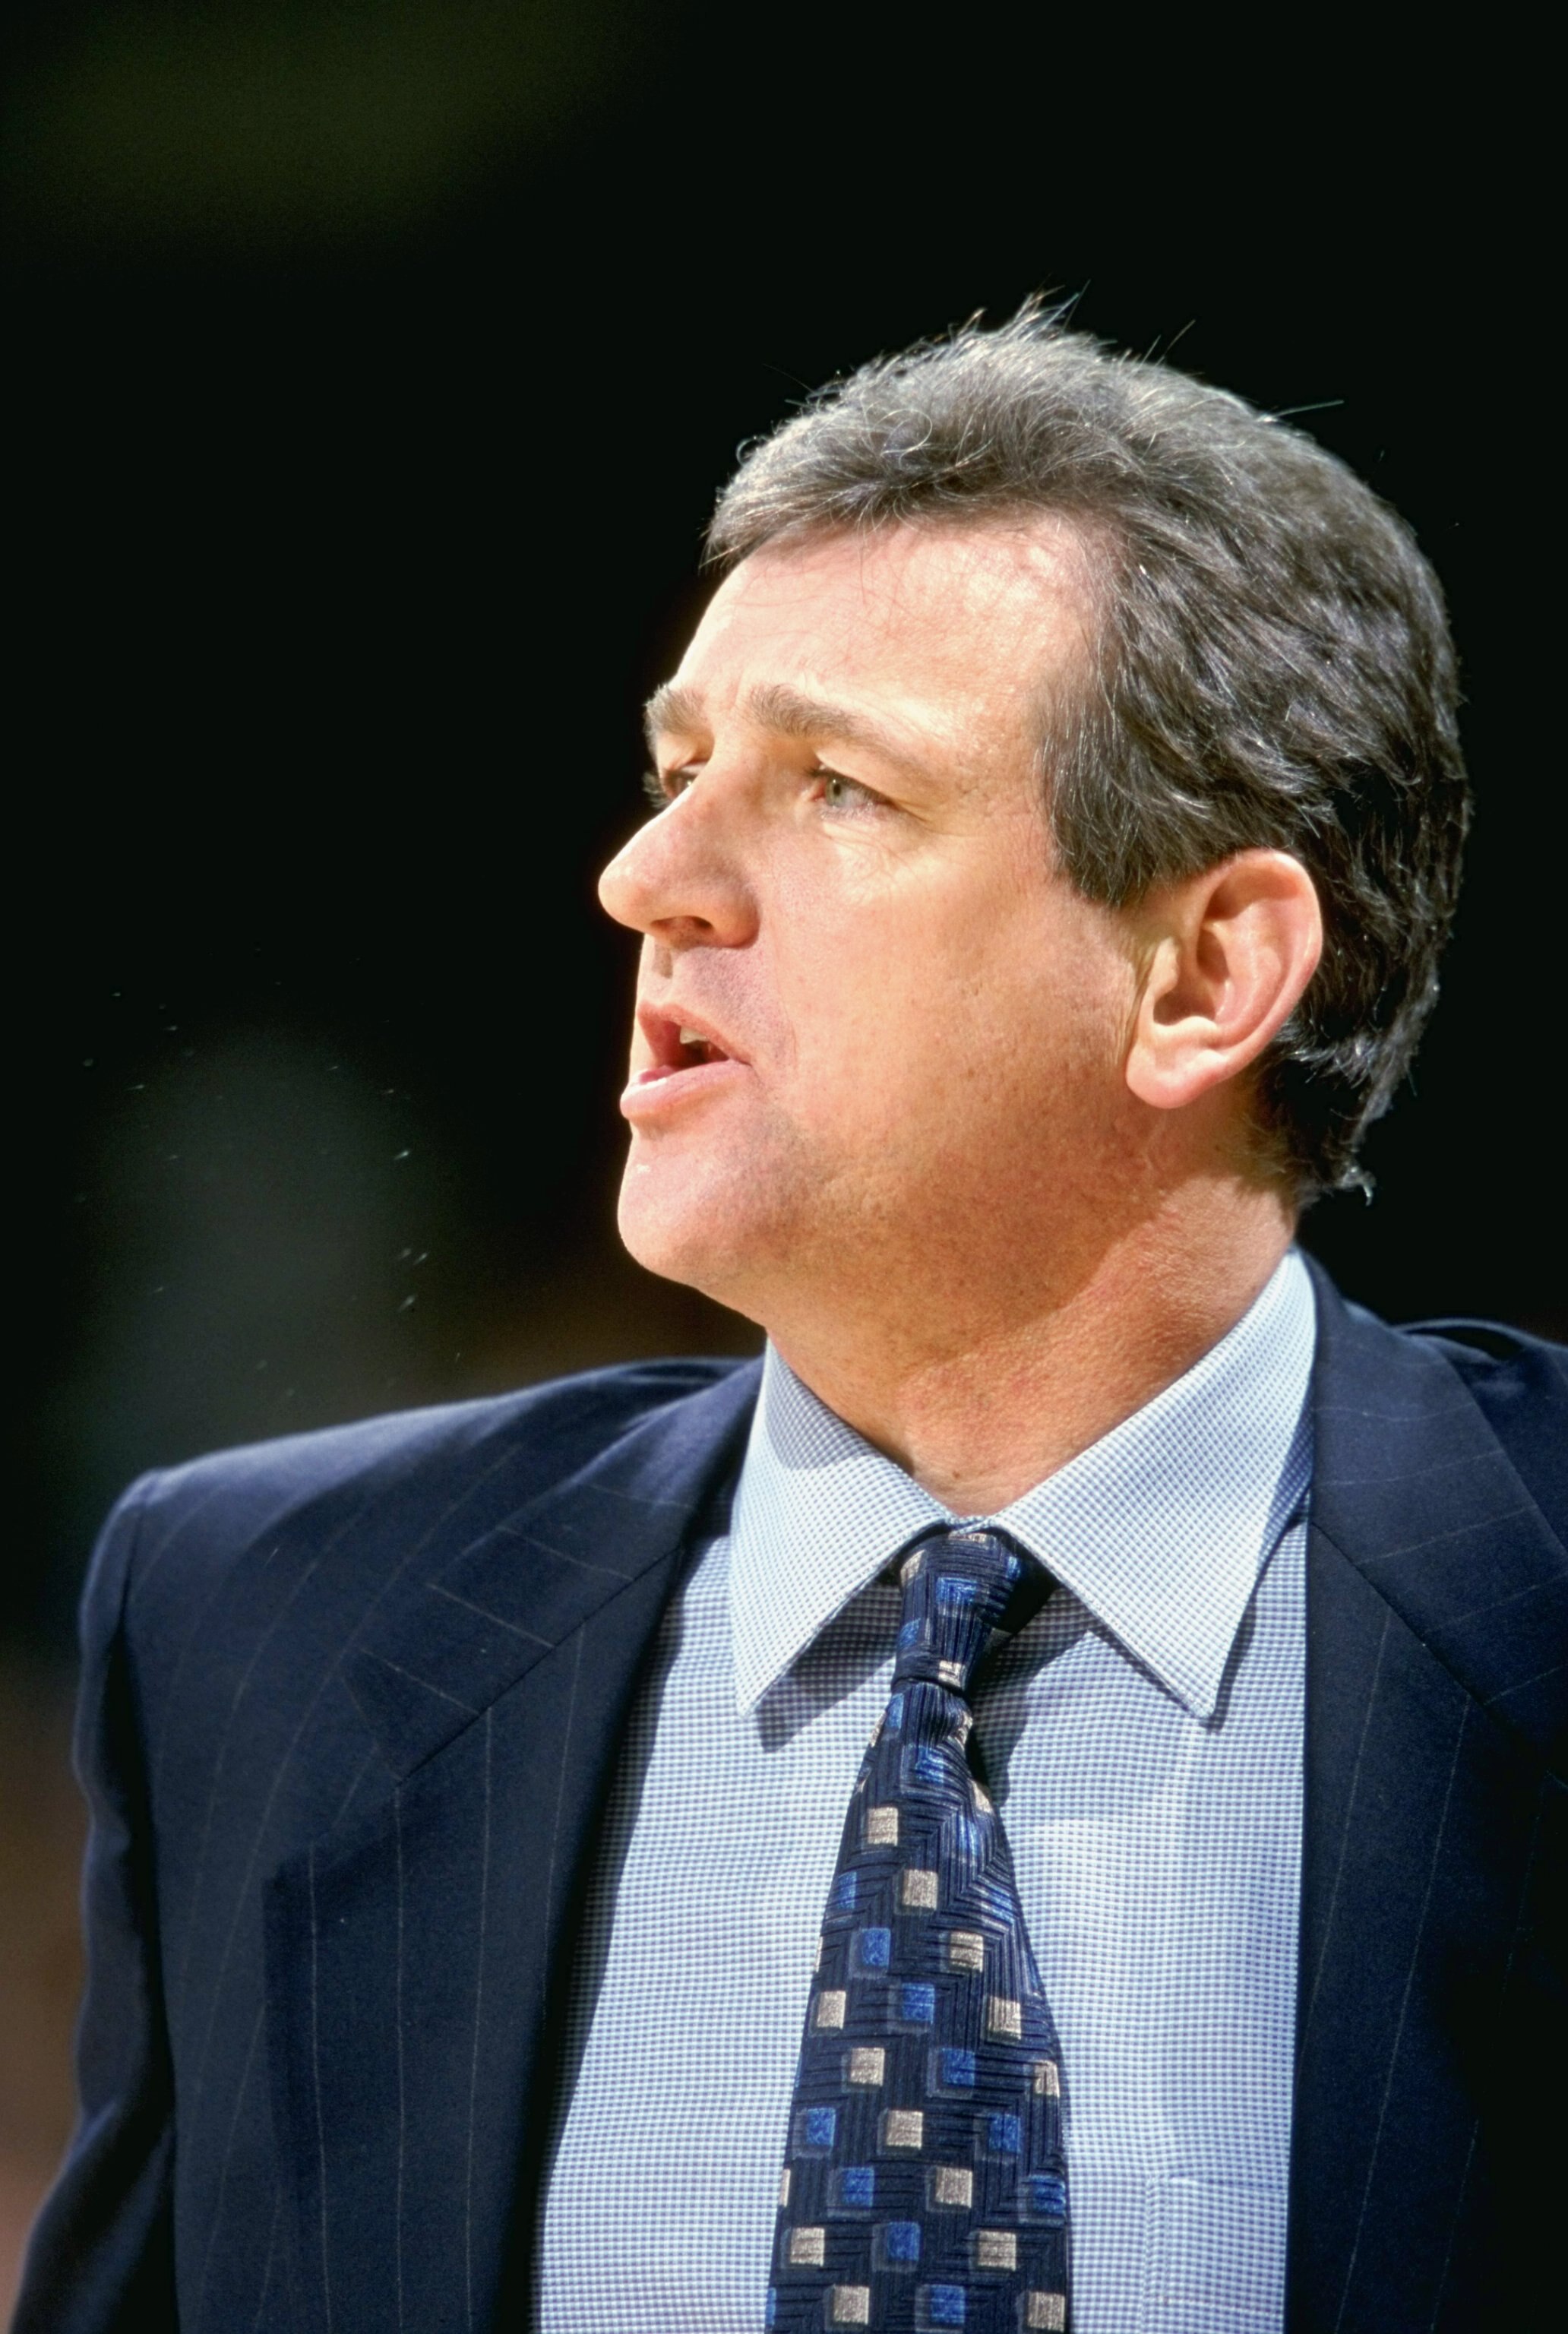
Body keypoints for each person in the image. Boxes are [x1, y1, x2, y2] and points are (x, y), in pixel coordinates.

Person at [17, 309, 1564, 2334]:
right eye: (679, 774)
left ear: (1205, 976)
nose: (647, 876)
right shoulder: (262, 1622)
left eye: (839, 789)